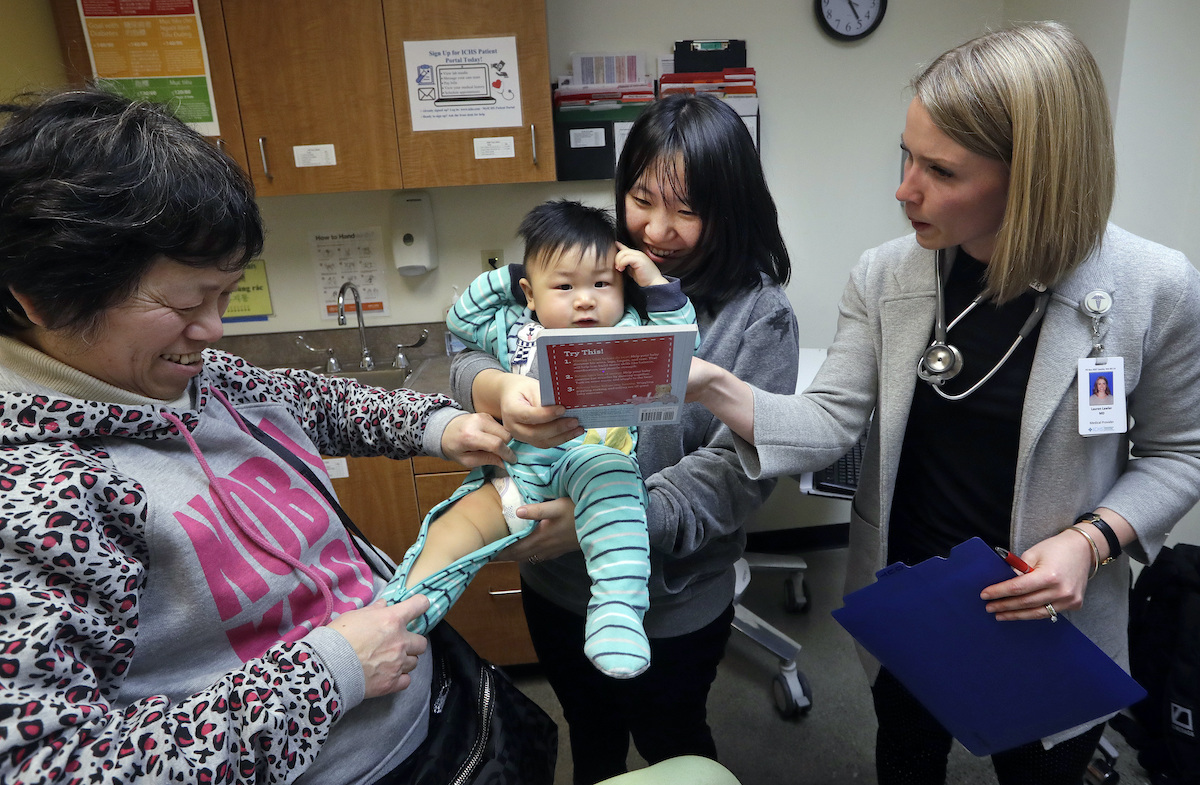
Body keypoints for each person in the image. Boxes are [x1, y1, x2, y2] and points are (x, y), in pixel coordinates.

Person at [686, 21, 1200, 785]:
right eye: (906, 155)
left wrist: (1091, 540)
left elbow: (1179, 453)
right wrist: (706, 381)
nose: (904, 189)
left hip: (1047, 610)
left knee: (1039, 767)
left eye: (941, 171)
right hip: (912, 596)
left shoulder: (1152, 288)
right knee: (907, 751)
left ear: (1034, 177)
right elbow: (830, 419)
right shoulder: (888, 275)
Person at [0, 86, 517, 784]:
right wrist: (329, 672)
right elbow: (51, 766)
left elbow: (310, 399)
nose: (212, 331)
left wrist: (446, 427)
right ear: (40, 296)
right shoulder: (36, 498)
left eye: (226, 295)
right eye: (186, 303)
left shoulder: (181, 372)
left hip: (437, 720)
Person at [449, 93, 798, 783]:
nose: (657, 228)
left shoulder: (758, 316)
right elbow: (468, 345)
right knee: (592, 732)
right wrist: (493, 391)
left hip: (674, 593)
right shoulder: (593, 271)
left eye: (687, 210)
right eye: (642, 198)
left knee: (674, 738)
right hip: (555, 579)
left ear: (729, 208)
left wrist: (603, 520)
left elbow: (737, 474)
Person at [381, 198, 696, 679]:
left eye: (601, 284)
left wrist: (651, 283)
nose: (584, 299)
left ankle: (617, 614)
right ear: (530, 293)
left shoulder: (632, 329)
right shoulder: (516, 330)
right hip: (518, 476)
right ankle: (393, 622)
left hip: (590, 468)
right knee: (448, 534)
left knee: (616, 495)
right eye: (564, 285)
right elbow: (461, 318)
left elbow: (682, 341)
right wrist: (518, 274)